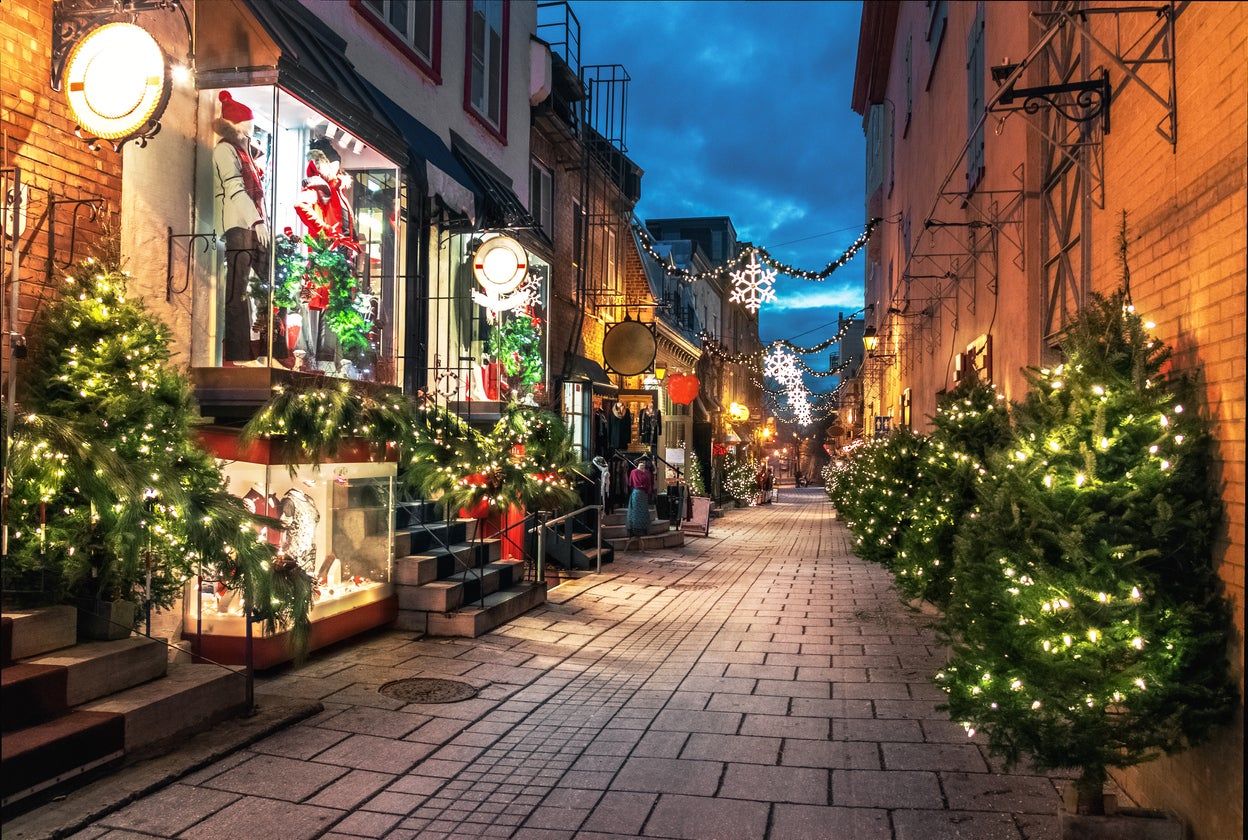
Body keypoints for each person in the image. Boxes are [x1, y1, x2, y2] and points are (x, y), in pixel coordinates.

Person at [626, 457, 654, 538]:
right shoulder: (633, 472)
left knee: (643, 511)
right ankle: (634, 529)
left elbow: (649, 483)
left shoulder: (647, 472)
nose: (643, 466)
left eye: (643, 465)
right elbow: (630, 483)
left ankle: (642, 529)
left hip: (643, 494)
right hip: (637, 493)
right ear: (638, 464)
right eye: (641, 464)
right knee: (635, 511)